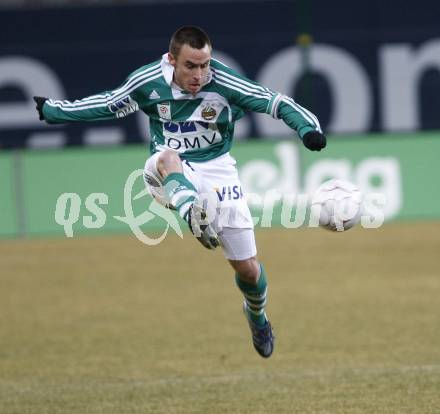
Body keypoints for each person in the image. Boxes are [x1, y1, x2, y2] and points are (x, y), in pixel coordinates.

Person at [34, 25, 326, 358]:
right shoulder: (147, 82)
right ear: (172, 59)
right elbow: (107, 103)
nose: (199, 74)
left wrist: (308, 129)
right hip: (167, 170)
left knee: (247, 268)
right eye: (191, 66)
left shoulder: (225, 83)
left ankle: (256, 316)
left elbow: (276, 102)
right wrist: (54, 111)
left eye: (205, 65)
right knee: (168, 157)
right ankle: (191, 211)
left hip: (217, 170)